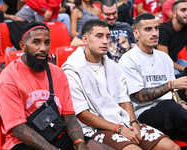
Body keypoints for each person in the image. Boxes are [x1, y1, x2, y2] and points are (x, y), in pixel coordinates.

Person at [62, 19, 180, 150]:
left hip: (122, 122)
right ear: (85, 40)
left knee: (172, 148)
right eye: (99, 36)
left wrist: (134, 123)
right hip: (94, 129)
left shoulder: (113, 66)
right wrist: (119, 129)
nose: (105, 41)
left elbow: (124, 101)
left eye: (108, 36)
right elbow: (82, 114)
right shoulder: (71, 70)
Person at [0, 21, 113, 150]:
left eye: (47, 42)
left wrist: (80, 144)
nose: (43, 48)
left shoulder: (58, 73)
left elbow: (69, 116)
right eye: (36, 42)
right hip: (23, 142)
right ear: (23, 46)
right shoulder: (8, 77)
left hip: (56, 134)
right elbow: (19, 129)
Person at [119, 12, 187, 142]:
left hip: (172, 115)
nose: (155, 33)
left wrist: (182, 103)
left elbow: (174, 93)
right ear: (136, 33)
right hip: (145, 115)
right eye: (148, 29)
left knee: (173, 106)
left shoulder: (164, 57)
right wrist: (170, 85)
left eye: (156, 28)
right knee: (168, 106)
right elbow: (139, 96)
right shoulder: (128, 59)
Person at [71, 0, 136, 63]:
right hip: (106, 66)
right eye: (108, 14)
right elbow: (74, 42)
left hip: (127, 66)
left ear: (117, 12)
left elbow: (134, 47)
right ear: (101, 13)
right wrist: (96, 43)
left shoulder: (126, 27)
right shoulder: (96, 27)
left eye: (114, 13)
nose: (111, 17)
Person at [157, 0, 187, 75]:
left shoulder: (185, 27)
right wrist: (185, 69)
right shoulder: (163, 30)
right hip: (160, 65)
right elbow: (165, 61)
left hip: (175, 61)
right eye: (183, 10)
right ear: (174, 14)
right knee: (175, 74)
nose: (186, 13)